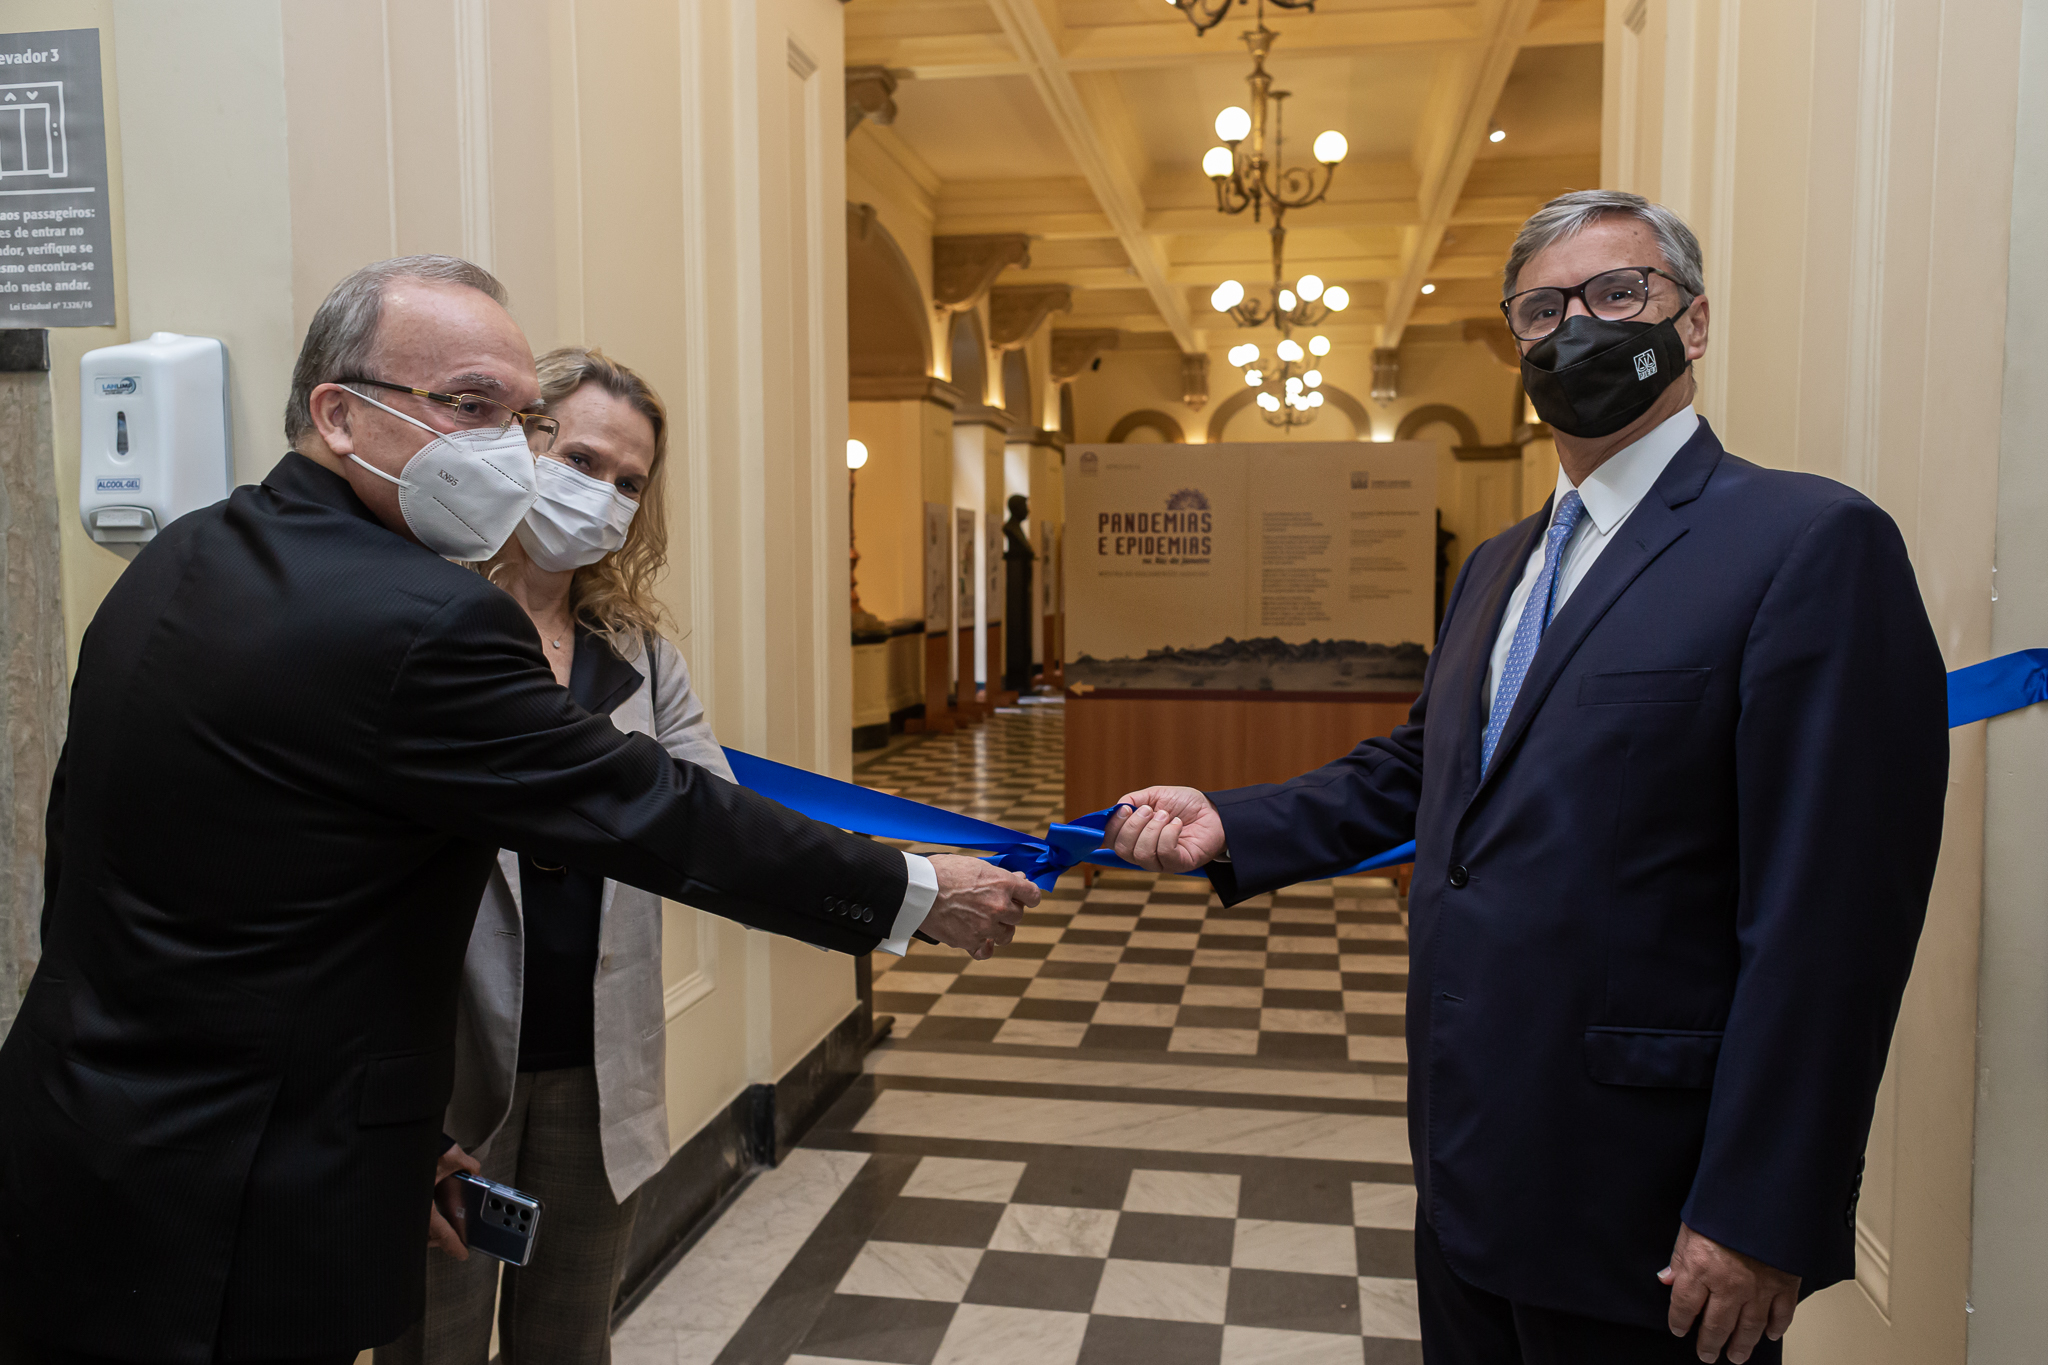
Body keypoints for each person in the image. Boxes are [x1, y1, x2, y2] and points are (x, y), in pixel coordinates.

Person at [0, 256, 1037, 1365]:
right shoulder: (425, 619)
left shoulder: (185, 555)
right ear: (340, 415)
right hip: (233, 1180)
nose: (505, 446)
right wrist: (912, 891)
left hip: (86, 1134)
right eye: (468, 407)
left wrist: (395, 1137)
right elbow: (650, 809)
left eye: (515, 413)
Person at [1103, 191, 1948, 1365]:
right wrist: (1230, 820)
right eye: (1542, 310)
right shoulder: (1500, 565)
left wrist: (1758, 1210)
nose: (1578, 329)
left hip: (1650, 1207)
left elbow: (1830, 922)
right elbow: (1429, 772)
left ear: (1691, 325)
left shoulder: (1805, 544)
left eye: (1619, 294)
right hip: (1469, 1171)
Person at [370, 346, 709, 1365]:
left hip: (599, 1073)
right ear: (518, 442)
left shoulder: (637, 654)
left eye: (628, 483)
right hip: (449, 1076)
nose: (601, 496)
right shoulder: (413, 619)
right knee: (432, 1342)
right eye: (582, 459)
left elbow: (711, 820)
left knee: (570, 1343)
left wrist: (895, 877)